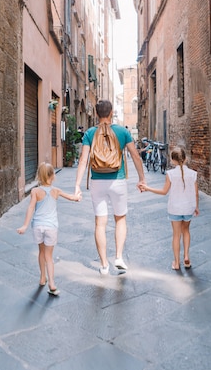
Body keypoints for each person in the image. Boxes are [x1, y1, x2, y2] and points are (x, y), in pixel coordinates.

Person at [74, 100, 146, 275]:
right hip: (118, 181)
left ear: (96, 114)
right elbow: (135, 156)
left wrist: (77, 185)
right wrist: (142, 178)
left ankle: (104, 264)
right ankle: (119, 258)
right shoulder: (122, 131)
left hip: (97, 182)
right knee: (120, 219)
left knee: (100, 223)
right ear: (112, 112)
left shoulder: (90, 133)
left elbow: (83, 160)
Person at [17, 162, 81, 295]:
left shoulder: (35, 191)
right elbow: (71, 197)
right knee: (49, 256)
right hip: (51, 227)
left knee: (41, 253)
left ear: (39, 176)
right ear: (53, 176)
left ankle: (42, 278)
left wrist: (25, 225)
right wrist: (77, 197)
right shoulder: (56, 191)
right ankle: (52, 283)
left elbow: (30, 208)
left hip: (38, 226)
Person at [140, 147, 199, 270]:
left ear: (172, 160)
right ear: (185, 158)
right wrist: (196, 206)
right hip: (189, 208)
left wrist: (147, 188)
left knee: (176, 235)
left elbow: (163, 192)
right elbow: (196, 193)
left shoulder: (170, 174)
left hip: (175, 208)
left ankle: (177, 263)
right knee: (186, 231)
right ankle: (186, 257)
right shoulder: (193, 174)